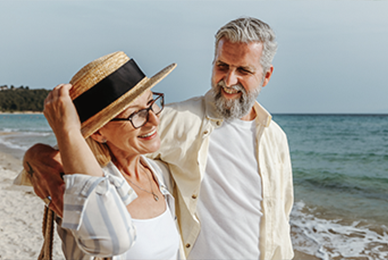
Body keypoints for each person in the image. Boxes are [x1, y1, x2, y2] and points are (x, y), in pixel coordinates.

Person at [21, 17, 294, 259]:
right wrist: (37, 155)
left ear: (266, 75)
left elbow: (279, 217)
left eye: (243, 71)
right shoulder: (181, 119)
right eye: (222, 65)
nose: (229, 79)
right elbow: (80, 151)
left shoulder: (275, 137)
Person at [26, 51, 182, 259]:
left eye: (152, 102)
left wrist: (33, 153)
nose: (153, 120)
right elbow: (113, 241)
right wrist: (68, 131)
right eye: (136, 114)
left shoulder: (159, 173)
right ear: (99, 132)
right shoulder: (75, 190)